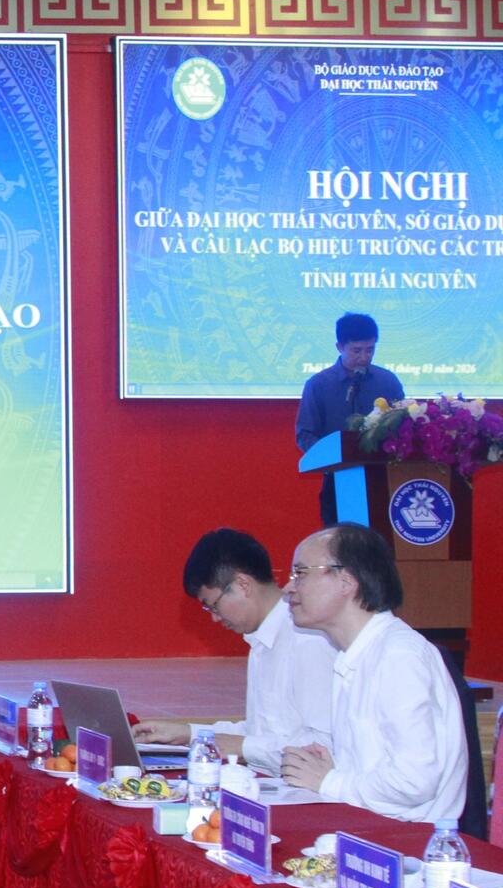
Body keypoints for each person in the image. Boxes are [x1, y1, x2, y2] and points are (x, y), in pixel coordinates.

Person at [278, 524, 465, 822]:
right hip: (370, 827)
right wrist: (331, 763)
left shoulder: (398, 656)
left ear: (346, 581)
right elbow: (376, 761)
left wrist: (330, 781)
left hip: (410, 839)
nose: (288, 589)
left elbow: (414, 782)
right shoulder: (356, 653)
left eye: (300, 573)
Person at [131, 530, 334, 773]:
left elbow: (324, 746)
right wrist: (188, 733)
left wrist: (241, 747)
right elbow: (262, 732)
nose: (215, 618)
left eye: (213, 606)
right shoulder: (263, 640)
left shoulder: (309, 640)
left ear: (242, 585)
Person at [295, 312, 405, 524]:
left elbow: (403, 427)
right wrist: (331, 460)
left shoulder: (387, 381)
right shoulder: (319, 384)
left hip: (383, 479)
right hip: (338, 481)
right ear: (340, 347)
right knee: (341, 540)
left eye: (370, 349)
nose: (364, 357)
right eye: (357, 350)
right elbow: (305, 434)